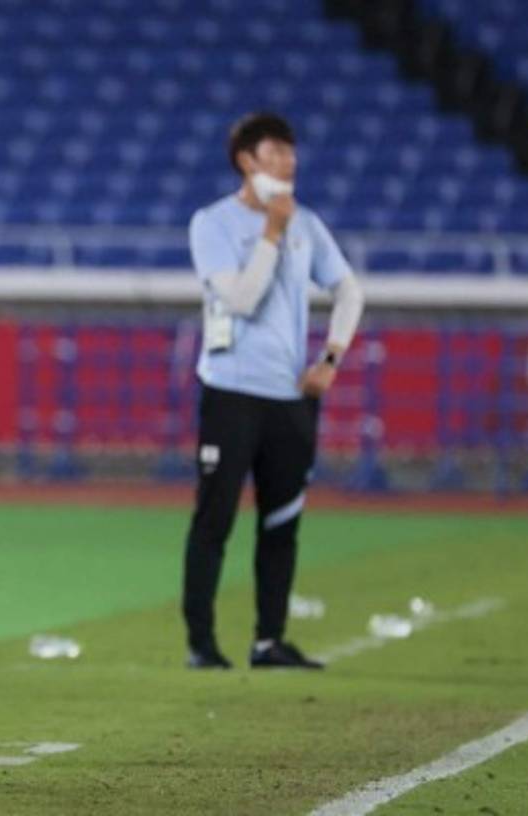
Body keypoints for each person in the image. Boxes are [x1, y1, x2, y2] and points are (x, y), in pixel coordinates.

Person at [181, 112, 363, 671]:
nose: (289, 162)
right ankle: (202, 645)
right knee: (215, 521)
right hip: (231, 393)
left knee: (282, 522)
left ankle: (269, 642)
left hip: (290, 399)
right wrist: (270, 234)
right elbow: (239, 300)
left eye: (291, 153)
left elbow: (349, 289)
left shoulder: (306, 223)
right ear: (246, 161)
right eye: (275, 153)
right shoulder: (212, 224)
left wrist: (330, 360)